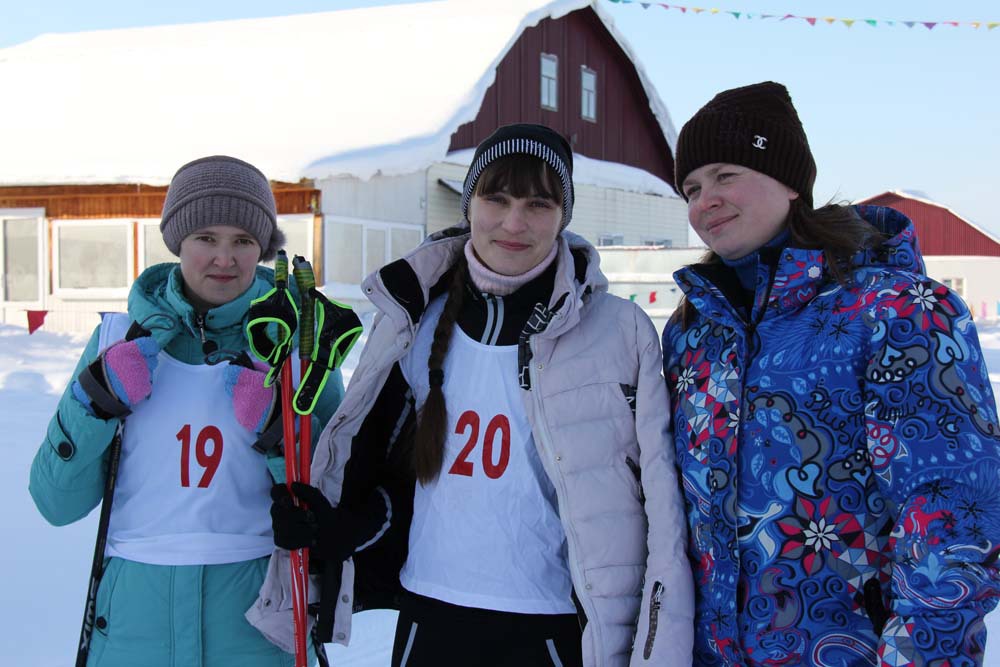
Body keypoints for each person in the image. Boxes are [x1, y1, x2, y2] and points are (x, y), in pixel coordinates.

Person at [247, 123, 694, 666]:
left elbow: (658, 499)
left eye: (538, 204)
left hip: (552, 625)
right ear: (469, 204)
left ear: (563, 217)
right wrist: (331, 528)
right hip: (430, 615)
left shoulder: (618, 330)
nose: (513, 222)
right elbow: (386, 473)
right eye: (496, 198)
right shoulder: (417, 319)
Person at [657, 81, 1000, 665]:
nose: (703, 201)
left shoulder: (898, 310)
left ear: (791, 182)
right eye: (690, 187)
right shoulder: (694, 330)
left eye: (724, 175)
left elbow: (954, 513)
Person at [29, 155, 345, 667]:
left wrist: (276, 430)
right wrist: (95, 401)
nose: (225, 258)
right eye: (206, 237)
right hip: (135, 623)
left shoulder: (295, 348)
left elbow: (336, 497)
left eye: (243, 241)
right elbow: (55, 503)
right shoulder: (117, 341)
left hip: (255, 623)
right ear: (178, 241)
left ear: (262, 249)